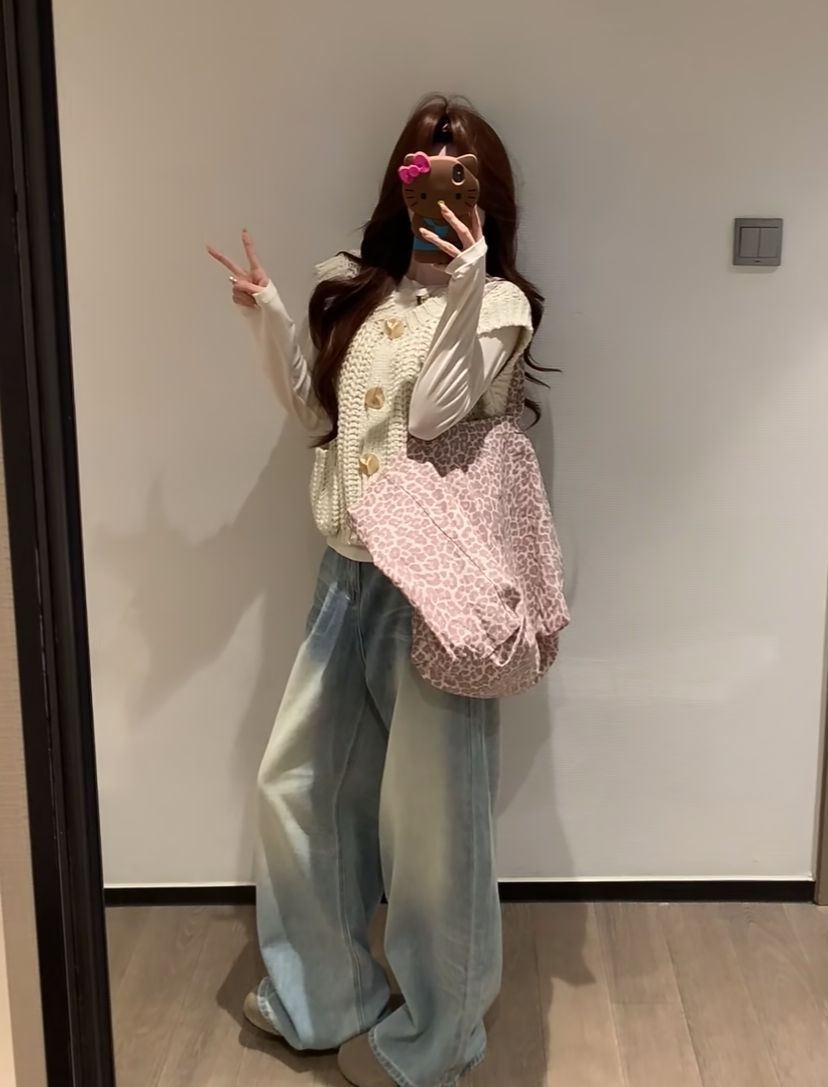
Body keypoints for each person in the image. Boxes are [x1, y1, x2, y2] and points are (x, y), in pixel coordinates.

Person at [207, 94, 545, 1087]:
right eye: (417, 169)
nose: (434, 186)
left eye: (455, 170)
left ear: (484, 191)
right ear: (397, 180)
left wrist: (469, 280)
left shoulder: (501, 305)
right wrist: (274, 316)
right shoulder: (356, 287)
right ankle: (325, 993)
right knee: (296, 786)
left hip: (435, 590)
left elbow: (435, 414)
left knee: (434, 829)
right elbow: (321, 417)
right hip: (345, 578)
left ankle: (439, 1038)